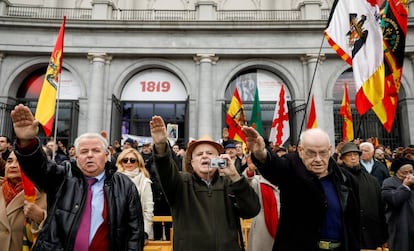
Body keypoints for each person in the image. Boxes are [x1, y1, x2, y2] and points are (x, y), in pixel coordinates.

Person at [10, 104, 145, 251]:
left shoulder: (124, 185)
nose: (89, 155)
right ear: (75, 156)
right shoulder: (62, 176)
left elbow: (134, 233)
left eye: (96, 150)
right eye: (84, 151)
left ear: (107, 156)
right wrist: (27, 142)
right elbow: (39, 168)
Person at [150, 115, 260, 251]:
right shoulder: (181, 183)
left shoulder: (229, 184)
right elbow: (165, 169)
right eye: (199, 154)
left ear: (219, 158)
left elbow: (252, 210)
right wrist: (161, 146)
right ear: (192, 162)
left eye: (210, 153)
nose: (204, 156)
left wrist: (235, 176)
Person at [242, 126, 360, 251]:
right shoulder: (292, 168)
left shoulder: (346, 179)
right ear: (300, 150)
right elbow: (275, 167)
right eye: (311, 153)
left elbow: (354, 224)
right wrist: (261, 154)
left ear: (330, 150)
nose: (318, 159)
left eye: (323, 153)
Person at [339, 142, 388, 250]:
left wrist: (384, 237)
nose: (353, 158)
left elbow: (381, 210)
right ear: (342, 158)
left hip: (371, 237)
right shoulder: (338, 179)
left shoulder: (372, 180)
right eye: (349, 155)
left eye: (355, 155)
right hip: (348, 236)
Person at [0, 151, 47, 251]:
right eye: (9, 161)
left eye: (20, 162)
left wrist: (41, 218)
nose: (13, 165)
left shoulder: (42, 195)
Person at [242, 154, 280, 251]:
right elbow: (246, 183)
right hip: (262, 229)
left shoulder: (286, 183)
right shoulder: (258, 181)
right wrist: (250, 171)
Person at [116, 148, 154, 242]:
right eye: (125, 160)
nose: (129, 162)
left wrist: (145, 232)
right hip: (117, 230)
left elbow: (148, 210)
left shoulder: (145, 182)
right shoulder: (114, 180)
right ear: (121, 162)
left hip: (137, 230)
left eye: (132, 160)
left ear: (138, 162)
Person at [381, 157, 414, 251]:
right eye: (404, 172)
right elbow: (395, 200)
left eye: (411, 172)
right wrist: (405, 186)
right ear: (396, 172)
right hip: (400, 229)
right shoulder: (388, 183)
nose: (408, 175)